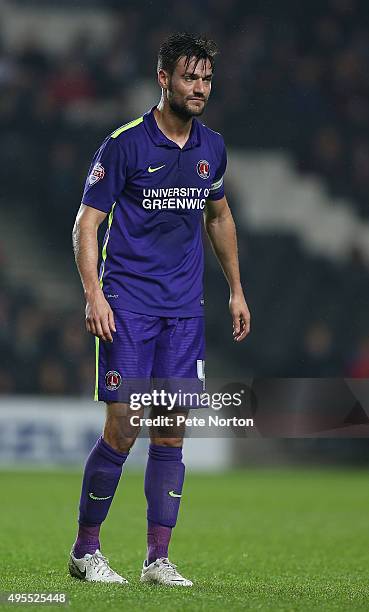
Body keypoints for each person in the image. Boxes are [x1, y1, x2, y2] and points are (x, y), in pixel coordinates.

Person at [69, 32, 250, 587]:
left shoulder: (211, 148)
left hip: (183, 312)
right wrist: (94, 293)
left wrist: (236, 289)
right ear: (163, 79)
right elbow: (87, 222)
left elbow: (218, 217)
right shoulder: (124, 144)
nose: (200, 88)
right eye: (190, 77)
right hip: (128, 306)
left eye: (206, 79)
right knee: (124, 428)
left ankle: (157, 560)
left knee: (171, 431)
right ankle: (86, 551)